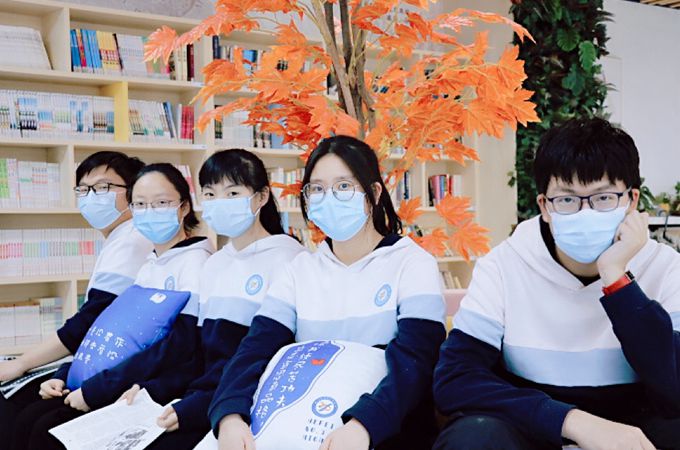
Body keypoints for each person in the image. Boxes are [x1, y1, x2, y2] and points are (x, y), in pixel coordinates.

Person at [433, 118, 680, 450]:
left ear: (632, 201)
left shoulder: (666, 267)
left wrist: (617, 279)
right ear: (544, 207)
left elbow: (674, 389)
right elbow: (456, 379)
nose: (585, 212)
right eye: (567, 200)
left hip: (635, 435)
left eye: (604, 197)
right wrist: (573, 422)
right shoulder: (503, 265)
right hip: (535, 430)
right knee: (474, 437)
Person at [209, 135, 446, 450]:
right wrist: (230, 416)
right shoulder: (299, 270)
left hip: (387, 430)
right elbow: (254, 350)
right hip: (298, 429)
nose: (329, 197)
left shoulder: (412, 263)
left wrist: (363, 426)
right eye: (317, 189)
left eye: (344, 186)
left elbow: (416, 363)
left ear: (374, 194)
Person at [13, 163, 214, 450]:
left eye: (161, 203)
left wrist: (97, 389)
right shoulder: (151, 264)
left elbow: (178, 349)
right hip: (114, 382)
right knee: (30, 417)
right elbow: (117, 334)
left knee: (47, 429)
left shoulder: (196, 262)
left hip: (149, 389)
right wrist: (65, 375)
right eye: (140, 204)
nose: (150, 212)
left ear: (184, 207)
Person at [0, 151, 152, 443]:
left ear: (133, 193)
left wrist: (21, 363)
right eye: (83, 189)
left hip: (115, 369)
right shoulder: (120, 237)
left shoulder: (131, 241)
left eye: (104, 187)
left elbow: (90, 321)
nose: (92, 197)